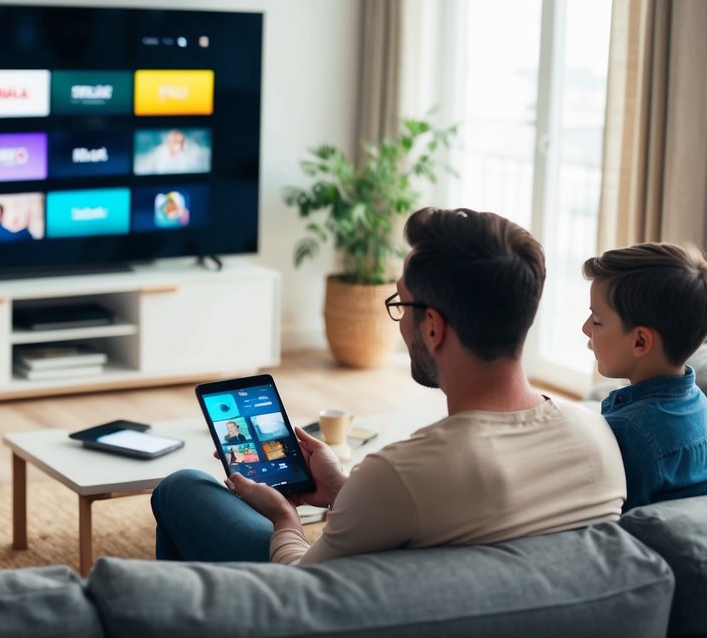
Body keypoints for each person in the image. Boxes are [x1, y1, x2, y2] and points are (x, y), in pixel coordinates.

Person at [152, 207, 626, 566]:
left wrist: (285, 519)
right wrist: (342, 488)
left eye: (401, 303)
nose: (399, 321)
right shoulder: (596, 437)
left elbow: (297, 595)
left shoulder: (403, 474)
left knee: (182, 488)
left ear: (434, 327)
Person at [582, 243, 707, 511]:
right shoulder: (698, 401)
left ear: (640, 341)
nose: (585, 329)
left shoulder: (628, 432)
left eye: (596, 320)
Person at [135, 128, 211, 175]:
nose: (178, 145)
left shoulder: (194, 153)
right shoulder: (158, 152)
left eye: (180, 142)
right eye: (175, 141)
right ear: (169, 141)